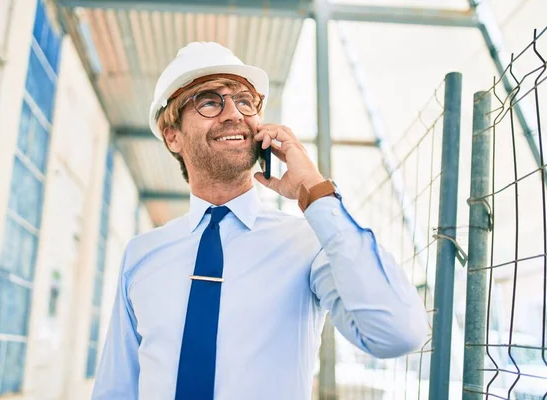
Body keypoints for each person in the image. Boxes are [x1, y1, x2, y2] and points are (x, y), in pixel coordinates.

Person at [92, 42, 428, 400]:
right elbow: (117, 388)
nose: (234, 114)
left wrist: (314, 190)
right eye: (209, 101)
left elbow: (397, 333)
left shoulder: (310, 243)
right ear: (172, 135)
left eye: (245, 101)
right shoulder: (142, 255)